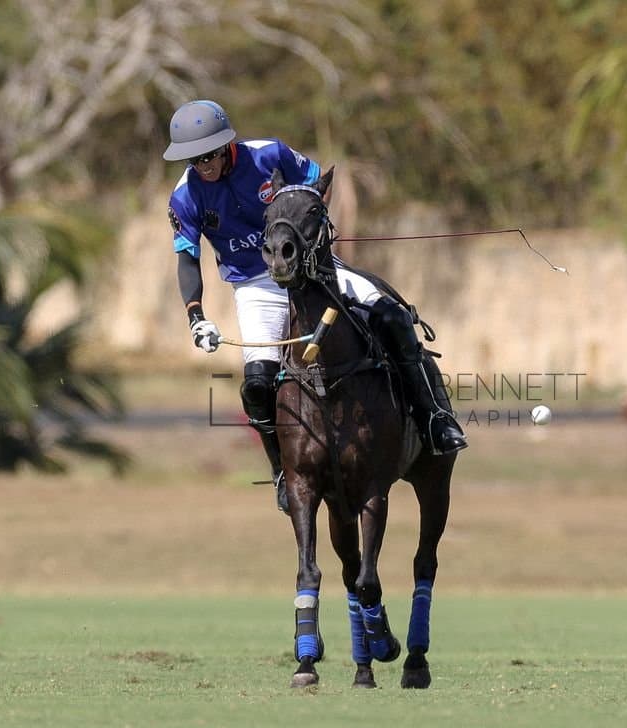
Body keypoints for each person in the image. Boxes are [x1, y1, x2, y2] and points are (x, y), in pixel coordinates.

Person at [162, 100, 466, 513]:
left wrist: (317, 241)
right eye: (193, 159)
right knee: (256, 383)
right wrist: (196, 316)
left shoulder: (269, 154)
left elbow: (316, 186)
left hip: (312, 270)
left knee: (392, 317)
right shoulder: (185, 196)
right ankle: (282, 470)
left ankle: (435, 420)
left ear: (226, 145)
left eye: (209, 155)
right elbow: (187, 258)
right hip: (256, 285)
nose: (203, 166)